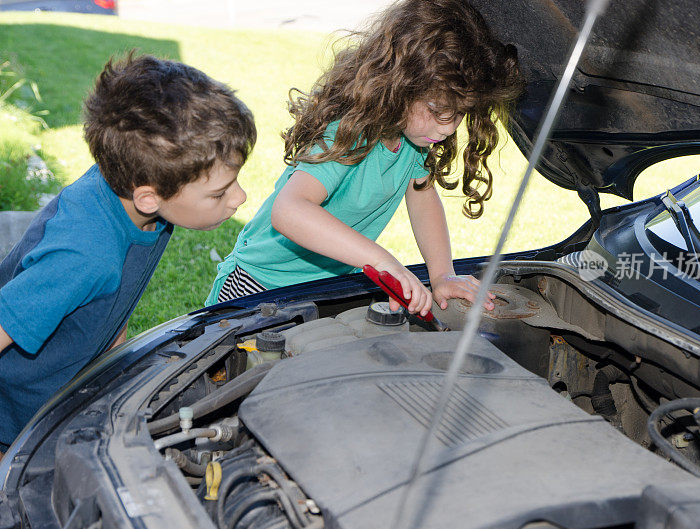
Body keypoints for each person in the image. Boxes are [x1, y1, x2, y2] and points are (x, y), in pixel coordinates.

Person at [0, 53, 256, 453]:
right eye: (220, 193)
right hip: (21, 413)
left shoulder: (140, 196)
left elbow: (112, 290)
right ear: (149, 197)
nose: (239, 198)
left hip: (67, 383)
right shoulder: (83, 256)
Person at [206, 0, 524, 317]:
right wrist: (383, 261)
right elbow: (289, 211)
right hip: (260, 283)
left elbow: (422, 196)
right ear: (401, 85)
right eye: (438, 111)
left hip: (328, 287)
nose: (449, 128)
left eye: (460, 114)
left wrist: (442, 274)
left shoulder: (413, 138)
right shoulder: (347, 133)